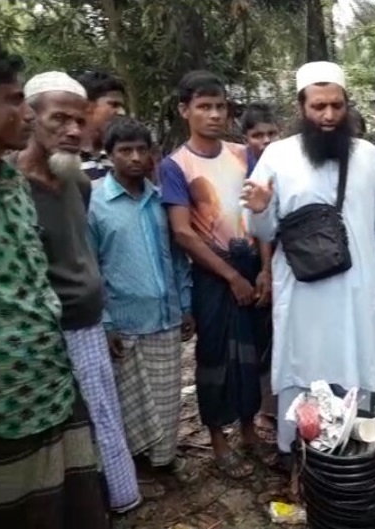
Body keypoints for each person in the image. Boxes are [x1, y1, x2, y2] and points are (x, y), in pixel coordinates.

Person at [241, 61, 375, 468]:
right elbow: (262, 229)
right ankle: (295, 451)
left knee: (357, 362)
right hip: (303, 294)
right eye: (318, 106)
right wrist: (259, 210)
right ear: (302, 107)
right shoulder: (278, 155)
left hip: (358, 291)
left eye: (336, 105)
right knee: (302, 365)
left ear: (347, 105)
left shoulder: (367, 156)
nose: (329, 115)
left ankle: (355, 448)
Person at [0, 39, 108, 529]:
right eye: (14, 101)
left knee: (75, 506)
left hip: (51, 383)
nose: (27, 115)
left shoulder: (12, 187)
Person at [13, 71, 140, 516]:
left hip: (88, 324)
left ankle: (110, 501)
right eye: (59, 119)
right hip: (47, 332)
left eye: (79, 120)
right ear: (30, 117)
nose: (72, 130)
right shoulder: (11, 188)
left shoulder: (78, 182)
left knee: (101, 414)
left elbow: (80, 252)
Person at [160, 70, 274, 479]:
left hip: (251, 266)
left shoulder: (245, 155)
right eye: (204, 106)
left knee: (252, 352)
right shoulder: (176, 165)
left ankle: (248, 430)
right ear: (184, 110)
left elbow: (260, 214)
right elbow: (183, 232)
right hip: (213, 274)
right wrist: (231, 276)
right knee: (214, 355)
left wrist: (265, 269)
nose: (213, 115)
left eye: (220, 106)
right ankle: (217, 438)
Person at [88, 117, 198, 494]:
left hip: (166, 317)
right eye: (125, 151)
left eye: (141, 150)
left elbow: (178, 258)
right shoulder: (95, 204)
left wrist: (186, 304)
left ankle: (163, 461)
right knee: (130, 404)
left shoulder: (160, 200)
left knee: (166, 400)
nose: (135, 158)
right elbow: (91, 267)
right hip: (124, 322)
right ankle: (135, 469)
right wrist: (105, 323)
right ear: (109, 155)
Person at [240, 101, 279, 443]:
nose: (264, 141)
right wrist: (264, 269)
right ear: (245, 138)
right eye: (257, 135)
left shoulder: (284, 165)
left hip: (284, 262)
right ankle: (261, 410)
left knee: (278, 336)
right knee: (258, 339)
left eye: (270, 134)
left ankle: (273, 406)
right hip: (250, 262)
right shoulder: (242, 168)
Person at [77, 71, 126, 180]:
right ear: (87, 106)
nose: (122, 112)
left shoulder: (119, 158)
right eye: (114, 105)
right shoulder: (61, 160)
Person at [241, 102, 280, 176]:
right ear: (246, 140)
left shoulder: (293, 163)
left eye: (272, 134)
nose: (267, 140)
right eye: (258, 136)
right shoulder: (240, 171)